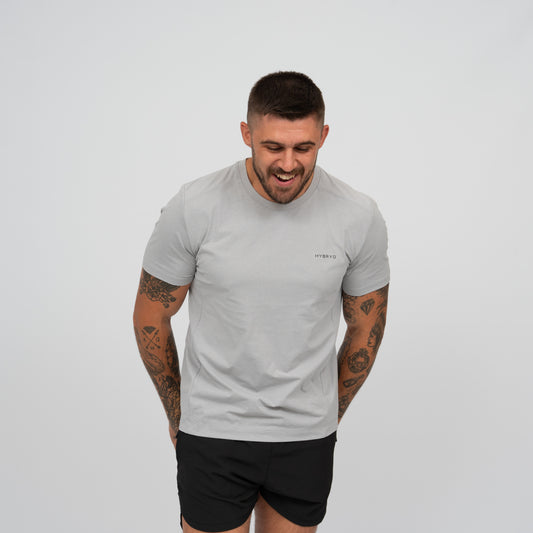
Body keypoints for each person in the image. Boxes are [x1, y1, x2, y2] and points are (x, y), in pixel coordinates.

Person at [133, 71, 390, 533]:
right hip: (213, 431)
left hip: (306, 437)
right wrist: (178, 413)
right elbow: (151, 314)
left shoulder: (357, 215)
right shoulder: (195, 206)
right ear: (246, 134)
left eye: (303, 148)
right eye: (273, 147)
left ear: (323, 136)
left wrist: (327, 413)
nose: (288, 164)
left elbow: (366, 327)